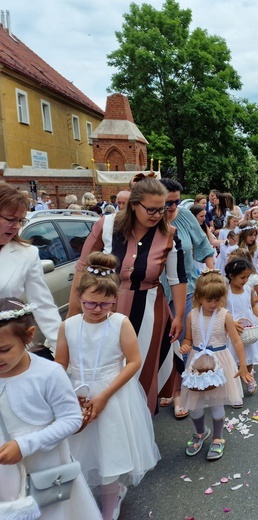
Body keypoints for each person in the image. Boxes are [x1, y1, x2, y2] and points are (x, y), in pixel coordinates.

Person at [68, 173, 187, 414]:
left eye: (161, 210)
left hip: (150, 311)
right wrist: (73, 311)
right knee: (107, 365)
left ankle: (140, 425)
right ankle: (106, 419)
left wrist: (179, 315)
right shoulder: (107, 225)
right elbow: (82, 268)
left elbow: (177, 278)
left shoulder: (169, 234)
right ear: (134, 205)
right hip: (106, 308)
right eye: (151, 210)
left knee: (142, 368)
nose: (157, 215)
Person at [55, 253, 159, 519]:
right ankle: (87, 498)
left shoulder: (120, 323)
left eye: (105, 303)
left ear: (114, 300)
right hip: (78, 394)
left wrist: (104, 396)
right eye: (90, 303)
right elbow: (59, 366)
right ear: (79, 297)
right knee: (81, 452)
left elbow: (134, 362)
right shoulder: (68, 326)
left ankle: (110, 501)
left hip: (112, 393)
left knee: (110, 452)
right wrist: (68, 396)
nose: (97, 309)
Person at [0, 299, 101, 519]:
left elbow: (71, 419)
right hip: (4, 470)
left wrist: (25, 445)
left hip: (45, 469)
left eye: (4, 349)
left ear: (28, 336)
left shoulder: (49, 373)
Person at [179, 270, 253, 461]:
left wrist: (242, 366)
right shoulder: (192, 315)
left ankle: (219, 437)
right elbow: (188, 337)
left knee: (216, 403)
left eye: (218, 300)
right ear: (199, 297)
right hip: (197, 363)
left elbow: (236, 342)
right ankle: (201, 432)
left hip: (219, 363)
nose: (214, 304)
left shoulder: (224, 315)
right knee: (195, 406)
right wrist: (186, 345)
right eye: (209, 300)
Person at [158, 179, 216, 419]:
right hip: (157, 291)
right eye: (167, 202)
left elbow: (203, 245)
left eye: (176, 201)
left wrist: (212, 272)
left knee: (181, 341)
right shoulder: (150, 220)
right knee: (162, 342)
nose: (172, 207)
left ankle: (180, 392)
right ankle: (166, 386)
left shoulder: (185, 217)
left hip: (188, 288)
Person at [0, 183, 62, 352]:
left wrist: (62, 350)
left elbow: (43, 305)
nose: (17, 226)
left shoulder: (27, 254)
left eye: (21, 220)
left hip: (9, 348)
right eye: (11, 219)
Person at [225, 257, 258, 396]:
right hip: (232, 330)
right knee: (233, 358)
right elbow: (221, 310)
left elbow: (252, 305)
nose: (245, 280)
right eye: (242, 277)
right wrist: (229, 323)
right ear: (231, 276)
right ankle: (234, 382)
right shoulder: (226, 292)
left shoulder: (248, 290)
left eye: (247, 277)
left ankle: (249, 377)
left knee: (248, 356)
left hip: (247, 330)